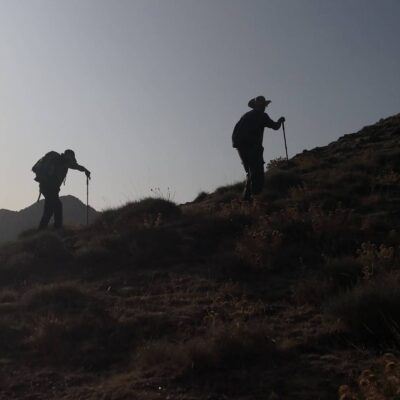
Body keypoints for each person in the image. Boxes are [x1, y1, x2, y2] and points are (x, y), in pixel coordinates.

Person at [232, 96, 285, 200]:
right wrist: (280, 120)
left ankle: (247, 199)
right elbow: (275, 126)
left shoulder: (246, 115)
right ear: (261, 106)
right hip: (253, 147)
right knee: (257, 173)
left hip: (240, 148)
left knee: (250, 173)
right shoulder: (262, 115)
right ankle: (256, 198)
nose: (265, 107)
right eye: (264, 105)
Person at [32, 149, 91, 230]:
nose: (72, 159)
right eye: (71, 157)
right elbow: (75, 166)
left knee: (50, 209)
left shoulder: (58, 160)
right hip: (50, 188)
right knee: (57, 207)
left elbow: (73, 165)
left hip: (45, 186)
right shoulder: (63, 161)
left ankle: (42, 230)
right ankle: (57, 229)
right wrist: (85, 170)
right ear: (69, 156)